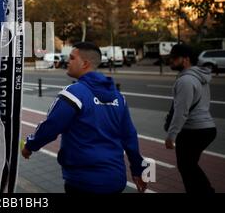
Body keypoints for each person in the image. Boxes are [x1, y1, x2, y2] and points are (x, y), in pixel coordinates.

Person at [21, 42, 147, 194]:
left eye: (72, 58)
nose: (67, 61)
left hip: (83, 182)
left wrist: (30, 146)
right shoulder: (119, 98)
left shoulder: (74, 93)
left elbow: (51, 126)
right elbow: (130, 137)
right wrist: (137, 170)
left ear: (85, 63)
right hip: (115, 179)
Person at [166, 44, 216, 193]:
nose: (171, 61)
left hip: (193, 130)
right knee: (189, 165)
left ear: (186, 59)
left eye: (174, 58)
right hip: (206, 128)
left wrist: (171, 136)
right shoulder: (199, 77)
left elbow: (181, 112)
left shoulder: (185, 80)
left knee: (187, 167)